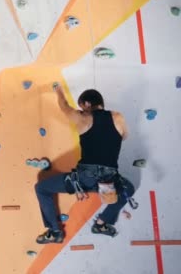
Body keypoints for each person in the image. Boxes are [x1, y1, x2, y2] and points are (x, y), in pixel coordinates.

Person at [34, 84, 135, 244]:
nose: (82, 110)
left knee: (41, 188)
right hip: (108, 180)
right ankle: (101, 224)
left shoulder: (83, 118)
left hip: (84, 179)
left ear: (87, 104)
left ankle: (55, 231)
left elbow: (64, 106)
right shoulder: (118, 117)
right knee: (128, 189)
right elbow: (125, 136)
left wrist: (58, 91)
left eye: (82, 106)